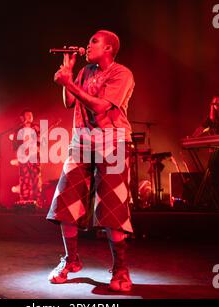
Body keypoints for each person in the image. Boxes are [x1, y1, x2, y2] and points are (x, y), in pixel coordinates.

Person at [46, 30, 135, 292]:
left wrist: (67, 82)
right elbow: (69, 102)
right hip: (81, 143)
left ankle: (120, 268)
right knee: (66, 203)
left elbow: (99, 107)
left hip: (113, 143)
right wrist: (69, 74)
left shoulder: (122, 73)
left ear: (109, 48)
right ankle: (71, 261)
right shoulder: (85, 71)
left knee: (112, 209)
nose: (88, 44)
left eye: (94, 41)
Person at [11, 109, 42, 207]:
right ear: (22, 118)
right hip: (23, 157)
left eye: (31, 115)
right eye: (27, 115)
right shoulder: (18, 129)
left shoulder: (37, 127)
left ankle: (37, 201)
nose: (30, 117)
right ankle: (24, 202)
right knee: (24, 179)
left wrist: (36, 147)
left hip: (34, 157)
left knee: (36, 178)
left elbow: (42, 142)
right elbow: (15, 145)